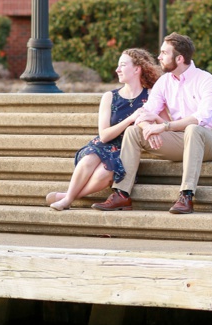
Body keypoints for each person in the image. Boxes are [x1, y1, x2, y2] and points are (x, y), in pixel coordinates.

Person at [92, 32, 212, 215]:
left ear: (179, 58)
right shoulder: (164, 82)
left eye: (164, 53)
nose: (159, 57)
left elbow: (200, 117)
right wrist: (148, 129)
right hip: (180, 139)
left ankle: (186, 195)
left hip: (211, 141)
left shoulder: (206, 80)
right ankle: (121, 193)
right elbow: (144, 113)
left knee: (194, 129)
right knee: (133, 132)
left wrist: (164, 127)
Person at [45, 48, 161, 210]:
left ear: (137, 69)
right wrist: (131, 118)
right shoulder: (110, 97)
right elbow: (104, 136)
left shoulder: (151, 96)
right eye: (118, 66)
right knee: (89, 159)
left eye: (122, 65)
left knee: (104, 174)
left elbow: (159, 121)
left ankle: (66, 196)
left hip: (125, 150)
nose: (117, 69)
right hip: (104, 144)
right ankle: (67, 200)